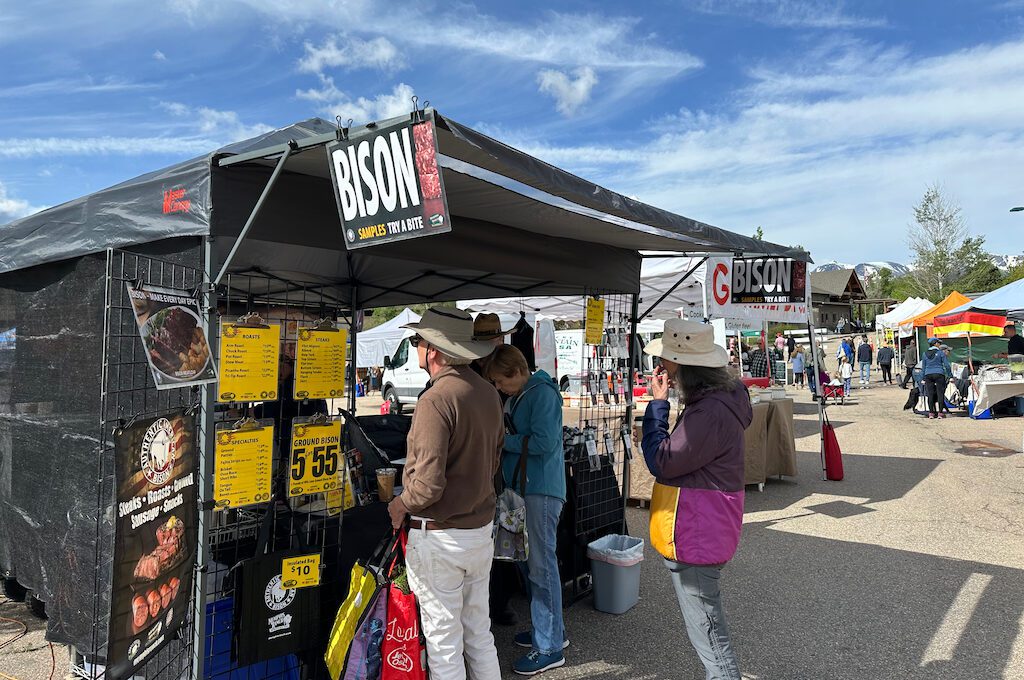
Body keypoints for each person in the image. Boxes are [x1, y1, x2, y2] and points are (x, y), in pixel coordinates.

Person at [387, 307, 504, 680]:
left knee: (443, 642)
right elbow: (494, 463)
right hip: (479, 530)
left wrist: (399, 503)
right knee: (478, 633)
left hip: (440, 536)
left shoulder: (436, 399)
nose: (417, 347)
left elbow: (427, 485)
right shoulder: (487, 392)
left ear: (433, 350)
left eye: (417, 341)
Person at [641, 319, 749, 680]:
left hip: (696, 530)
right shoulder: (723, 398)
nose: (662, 368)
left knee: (707, 630)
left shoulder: (708, 411)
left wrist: (657, 406)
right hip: (706, 523)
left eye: (667, 361)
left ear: (685, 366)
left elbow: (663, 461)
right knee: (704, 624)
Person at [484, 345, 567, 676]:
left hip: (540, 491)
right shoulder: (528, 392)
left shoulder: (541, 394)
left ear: (515, 372)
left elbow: (545, 442)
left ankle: (548, 647)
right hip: (529, 490)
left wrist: (503, 441)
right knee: (535, 566)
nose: (500, 389)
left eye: (501, 383)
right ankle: (550, 634)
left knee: (541, 568)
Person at [919, 338, 952, 420]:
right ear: (935, 344)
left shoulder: (924, 354)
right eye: (938, 343)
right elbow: (947, 365)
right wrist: (950, 375)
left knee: (930, 394)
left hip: (928, 374)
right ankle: (940, 413)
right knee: (940, 394)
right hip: (939, 373)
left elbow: (923, 367)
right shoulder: (940, 353)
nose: (939, 344)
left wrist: (923, 378)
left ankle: (931, 413)